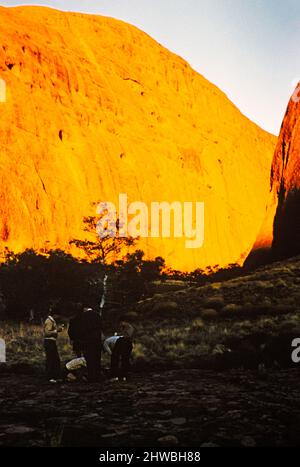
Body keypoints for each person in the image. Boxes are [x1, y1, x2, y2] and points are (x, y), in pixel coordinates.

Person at [80, 307, 102, 383]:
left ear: (85, 308)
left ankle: (91, 377)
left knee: (90, 358)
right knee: (97, 357)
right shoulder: (97, 315)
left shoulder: (84, 316)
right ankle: (98, 376)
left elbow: (82, 329)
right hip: (97, 339)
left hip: (88, 340)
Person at [43, 313, 63, 383]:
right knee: (51, 359)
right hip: (49, 341)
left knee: (55, 359)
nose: (59, 316)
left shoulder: (52, 321)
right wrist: (57, 330)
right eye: (58, 315)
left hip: (51, 342)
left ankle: (55, 376)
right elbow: (47, 333)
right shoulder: (49, 321)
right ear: (55, 314)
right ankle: (49, 377)